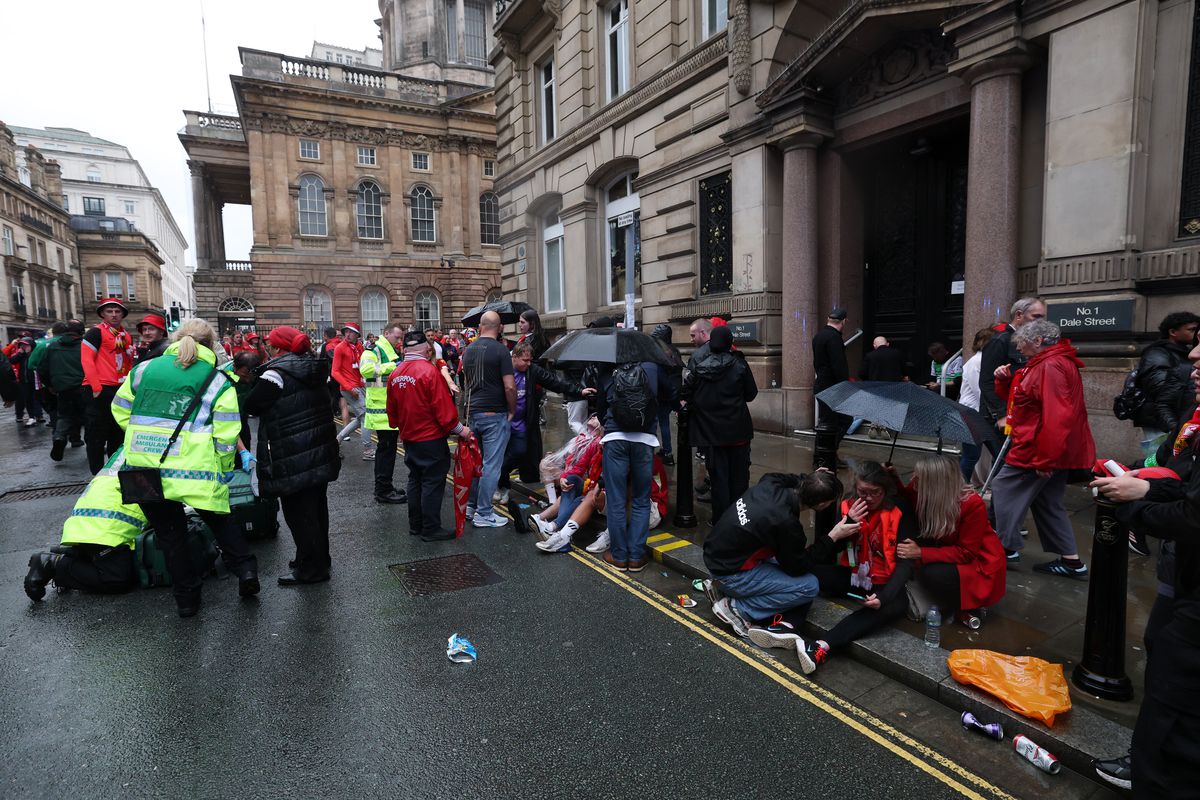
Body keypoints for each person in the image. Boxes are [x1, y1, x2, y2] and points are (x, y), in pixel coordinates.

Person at [1091, 340, 1200, 798]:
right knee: (1160, 647)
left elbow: (1194, 516)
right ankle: (1145, 760)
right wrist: (1147, 479)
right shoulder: (1194, 422)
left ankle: (1154, 772)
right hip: (1185, 575)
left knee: (1174, 697)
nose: (1192, 363)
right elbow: (1182, 476)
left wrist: (1135, 505)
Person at [111, 318, 259, 616]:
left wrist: (144, 436)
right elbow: (227, 430)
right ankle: (246, 572)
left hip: (145, 468)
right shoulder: (217, 380)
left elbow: (120, 409)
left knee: (170, 535)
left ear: (177, 338)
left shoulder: (143, 370)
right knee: (220, 520)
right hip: (197, 469)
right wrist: (225, 463)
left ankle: (187, 600)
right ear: (211, 343)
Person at [703, 470, 847, 672]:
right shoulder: (787, 523)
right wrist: (832, 536)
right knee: (809, 586)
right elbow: (798, 567)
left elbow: (786, 477)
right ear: (822, 504)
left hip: (714, 555)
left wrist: (812, 478)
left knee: (779, 561)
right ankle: (738, 608)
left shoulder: (770, 482)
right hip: (731, 573)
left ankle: (724, 589)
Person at [991, 319, 1096, 573]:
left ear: (1037, 341)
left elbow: (1056, 415)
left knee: (1003, 486)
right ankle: (1071, 561)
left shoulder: (1049, 366)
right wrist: (1005, 381)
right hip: (1047, 447)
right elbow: (1029, 400)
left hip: (1035, 448)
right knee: (1048, 501)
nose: (1019, 349)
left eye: (1022, 343)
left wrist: (1045, 459)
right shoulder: (1051, 363)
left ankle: (1006, 548)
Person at [244, 326, 341, 585]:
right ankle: (317, 560)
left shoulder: (276, 373)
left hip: (292, 452)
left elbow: (252, 404)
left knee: (299, 514)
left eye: (270, 345)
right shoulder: (312, 366)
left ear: (277, 348)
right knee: (317, 511)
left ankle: (311, 570)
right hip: (317, 449)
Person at [804, 460, 919, 670]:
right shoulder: (849, 505)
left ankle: (822, 646)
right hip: (856, 575)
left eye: (874, 492)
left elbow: (906, 563)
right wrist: (847, 523)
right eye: (862, 492)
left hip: (885, 583)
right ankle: (779, 619)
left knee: (893, 606)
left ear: (884, 490)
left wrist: (883, 597)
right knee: (806, 569)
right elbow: (833, 550)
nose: (868, 498)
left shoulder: (899, 509)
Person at [24, 448, 145, 600]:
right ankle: (54, 564)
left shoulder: (137, 437)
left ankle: (81, 556)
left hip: (96, 516)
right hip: (108, 524)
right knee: (117, 579)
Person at [385, 330, 472, 542]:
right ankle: (431, 528)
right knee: (432, 481)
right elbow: (444, 411)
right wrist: (462, 431)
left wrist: (399, 427)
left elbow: (392, 410)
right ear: (426, 348)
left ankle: (416, 525)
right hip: (430, 437)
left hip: (409, 436)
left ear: (405, 349)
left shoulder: (396, 374)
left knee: (415, 479)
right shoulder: (430, 372)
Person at [894, 457, 1006, 619]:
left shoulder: (971, 504)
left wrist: (921, 553)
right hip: (946, 545)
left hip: (976, 561)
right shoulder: (922, 489)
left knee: (932, 574)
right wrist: (893, 477)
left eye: (918, 478)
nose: (912, 480)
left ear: (935, 484)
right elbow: (908, 497)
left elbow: (966, 553)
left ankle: (961, 605)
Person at [496, 341, 592, 508]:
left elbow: (554, 381)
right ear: (515, 357)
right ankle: (502, 485)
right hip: (502, 422)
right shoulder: (503, 369)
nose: (528, 363)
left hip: (522, 423)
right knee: (501, 456)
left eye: (530, 360)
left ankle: (501, 482)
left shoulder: (531, 370)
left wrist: (578, 391)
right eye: (525, 360)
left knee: (518, 452)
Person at [595, 352, 664, 572]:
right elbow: (668, 395)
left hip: (615, 439)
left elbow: (600, 408)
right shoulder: (652, 367)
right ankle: (636, 557)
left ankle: (618, 556)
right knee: (642, 499)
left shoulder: (607, 370)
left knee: (616, 499)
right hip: (645, 440)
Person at [682, 325, 758, 523]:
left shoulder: (699, 366)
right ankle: (740, 520)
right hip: (738, 433)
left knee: (719, 480)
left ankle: (720, 520)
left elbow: (687, 395)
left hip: (712, 435)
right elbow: (751, 394)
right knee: (739, 480)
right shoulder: (739, 364)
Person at [462, 310, 517, 528]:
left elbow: (467, 384)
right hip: (495, 414)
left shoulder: (468, 350)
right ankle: (484, 513)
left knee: (477, 465)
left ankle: (471, 507)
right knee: (491, 466)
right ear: (500, 326)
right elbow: (510, 386)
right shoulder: (501, 351)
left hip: (474, 413)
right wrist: (512, 410)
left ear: (481, 326)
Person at [532, 413, 605, 551]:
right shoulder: (589, 441)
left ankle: (553, 527)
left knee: (582, 498)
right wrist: (564, 477)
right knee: (570, 480)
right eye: (591, 416)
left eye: (597, 417)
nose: (592, 418)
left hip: (603, 492)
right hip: (589, 485)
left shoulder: (605, 443)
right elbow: (579, 466)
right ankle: (550, 528)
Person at [1132, 311, 1200, 458]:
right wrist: (1176, 427)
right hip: (1160, 421)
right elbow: (1161, 392)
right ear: (1173, 332)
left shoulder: (1183, 353)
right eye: (1191, 330)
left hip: (1177, 419)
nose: (1195, 335)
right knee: (1159, 460)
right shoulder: (1158, 354)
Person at [83, 298, 137, 474]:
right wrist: (96, 387)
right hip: (100, 389)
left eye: (117, 311)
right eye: (109, 311)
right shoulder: (95, 333)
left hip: (118, 388)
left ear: (122, 314)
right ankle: (96, 473)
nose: (114, 314)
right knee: (96, 435)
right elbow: (86, 359)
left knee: (117, 432)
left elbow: (128, 363)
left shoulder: (125, 336)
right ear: (102, 314)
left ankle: (113, 472)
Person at [978, 296, 1047, 434]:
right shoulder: (999, 340)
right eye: (1036, 316)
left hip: (1022, 412)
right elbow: (986, 381)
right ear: (1019, 315)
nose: (1040, 322)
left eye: (1042, 317)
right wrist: (1001, 414)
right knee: (1007, 455)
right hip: (1001, 415)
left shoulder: (1032, 341)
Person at [360, 322, 407, 504]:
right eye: (397, 337)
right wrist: (393, 367)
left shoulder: (389, 352)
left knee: (388, 450)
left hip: (388, 409)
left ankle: (386, 486)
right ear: (386, 334)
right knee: (385, 451)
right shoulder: (373, 350)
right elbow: (366, 371)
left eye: (401, 337)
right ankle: (383, 491)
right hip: (381, 410)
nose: (399, 341)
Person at [38, 319, 87, 461]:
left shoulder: (53, 346)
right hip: (83, 387)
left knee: (65, 416)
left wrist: (51, 385)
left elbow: (41, 369)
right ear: (82, 331)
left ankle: (59, 437)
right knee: (88, 417)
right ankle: (92, 445)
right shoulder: (85, 346)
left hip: (63, 388)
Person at [957, 328, 996, 482]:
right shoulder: (977, 362)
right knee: (971, 456)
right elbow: (980, 390)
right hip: (974, 414)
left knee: (979, 454)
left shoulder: (983, 360)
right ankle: (959, 488)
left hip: (978, 414)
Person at [332, 322, 372, 460]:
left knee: (361, 417)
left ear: (357, 335)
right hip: (349, 387)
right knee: (366, 417)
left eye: (351, 332)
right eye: (346, 332)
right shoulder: (340, 348)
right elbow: (335, 372)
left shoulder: (360, 347)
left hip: (359, 386)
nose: (348, 334)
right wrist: (350, 388)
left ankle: (337, 440)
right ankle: (368, 450)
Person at [813, 307, 851, 436]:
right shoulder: (834, 337)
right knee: (842, 420)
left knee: (827, 422)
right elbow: (838, 365)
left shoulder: (818, 336)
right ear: (844, 321)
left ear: (828, 320)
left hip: (821, 385)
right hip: (832, 388)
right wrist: (845, 385)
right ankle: (828, 452)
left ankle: (824, 453)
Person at [651, 324, 682, 466]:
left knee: (658, 422)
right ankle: (667, 451)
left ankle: (666, 453)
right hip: (671, 393)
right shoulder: (674, 351)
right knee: (664, 422)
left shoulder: (659, 352)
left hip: (662, 393)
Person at [11, 337, 43, 428]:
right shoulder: (21, 355)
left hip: (36, 380)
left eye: (26, 345)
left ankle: (41, 415)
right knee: (28, 399)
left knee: (39, 398)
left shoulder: (35, 353)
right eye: (22, 345)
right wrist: (20, 354)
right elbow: (12, 361)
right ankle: (32, 417)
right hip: (24, 381)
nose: (23, 347)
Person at [321, 326, 342, 416]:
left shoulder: (328, 346)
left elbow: (328, 361)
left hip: (333, 375)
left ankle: (335, 411)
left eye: (323, 335)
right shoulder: (341, 343)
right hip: (344, 374)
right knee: (341, 396)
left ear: (326, 335)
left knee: (334, 395)